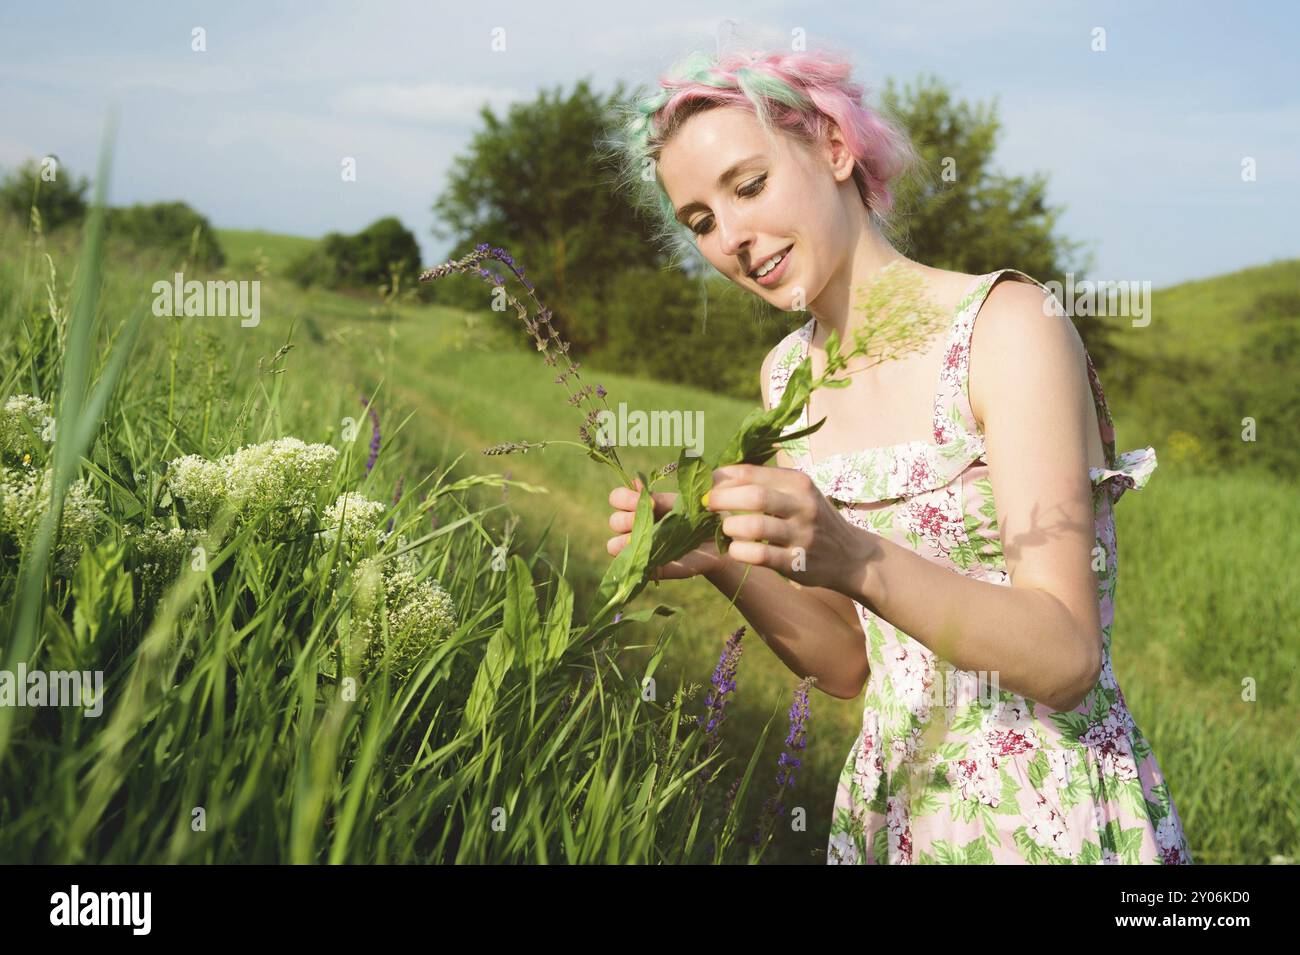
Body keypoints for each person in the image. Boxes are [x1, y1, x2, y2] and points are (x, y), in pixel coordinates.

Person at [601, 46, 1193, 865]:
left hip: (1047, 816)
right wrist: (715, 557)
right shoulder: (787, 377)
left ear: (835, 150)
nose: (732, 235)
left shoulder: (1007, 327)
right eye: (700, 221)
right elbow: (849, 662)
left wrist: (854, 552)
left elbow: (1065, 657)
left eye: (748, 185)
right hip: (898, 812)